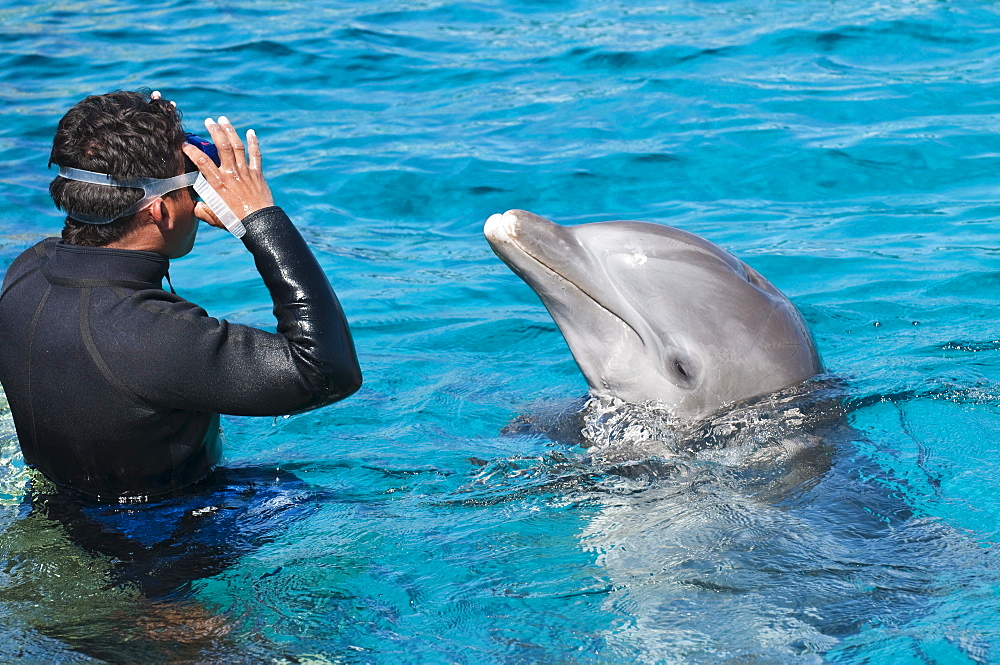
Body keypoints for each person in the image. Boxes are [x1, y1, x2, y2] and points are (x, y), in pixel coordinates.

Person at [0, 90, 362, 503]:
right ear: (158, 211)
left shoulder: (27, 271)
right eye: (193, 181)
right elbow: (329, 371)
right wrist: (259, 220)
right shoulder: (150, 334)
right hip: (164, 544)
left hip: (65, 509)